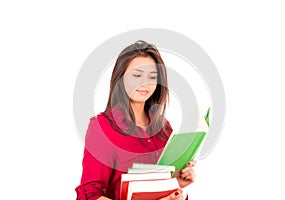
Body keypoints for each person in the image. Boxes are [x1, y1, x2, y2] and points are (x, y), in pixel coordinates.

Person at [75, 40, 197, 200]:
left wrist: (176, 182)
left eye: (152, 76)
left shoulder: (164, 128)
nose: (145, 83)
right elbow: (90, 194)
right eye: (137, 75)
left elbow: (161, 188)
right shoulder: (102, 128)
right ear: (121, 78)